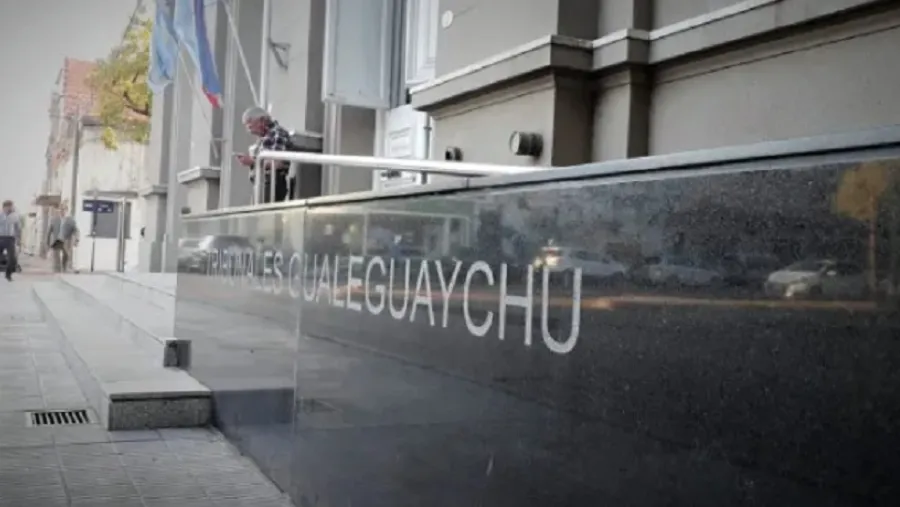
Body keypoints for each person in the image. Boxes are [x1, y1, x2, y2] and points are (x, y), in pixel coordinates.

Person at [234, 106, 295, 203]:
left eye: (250, 125)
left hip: (272, 184)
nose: (249, 130)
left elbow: (278, 163)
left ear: (262, 120)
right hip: (262, 184)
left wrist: (252, 161)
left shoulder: (277, 133)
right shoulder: (264, 137)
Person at [47, 204, 79, 273]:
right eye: (61, 210)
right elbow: (49, 231)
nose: (62, 211)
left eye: (64, 210)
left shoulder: (71, 220)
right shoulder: (54, 220)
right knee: (56, 256)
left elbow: (76, 230)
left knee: (66, 255)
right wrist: (48, 243)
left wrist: (77, 239)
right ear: (59, 211)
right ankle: (57, 270)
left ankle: (64, 268)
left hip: (66, 240)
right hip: (57, 240)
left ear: (67, 211)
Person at [0, 200, 20, 281]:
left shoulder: (15, 216)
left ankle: (8, 274)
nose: (10, 208)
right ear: (4, 207)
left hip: (10, 239)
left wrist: (18, 239)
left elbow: (17, 228)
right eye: (9, 207)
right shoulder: (0, 215)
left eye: (11, 207)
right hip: (1, 238)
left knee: (12, 259)